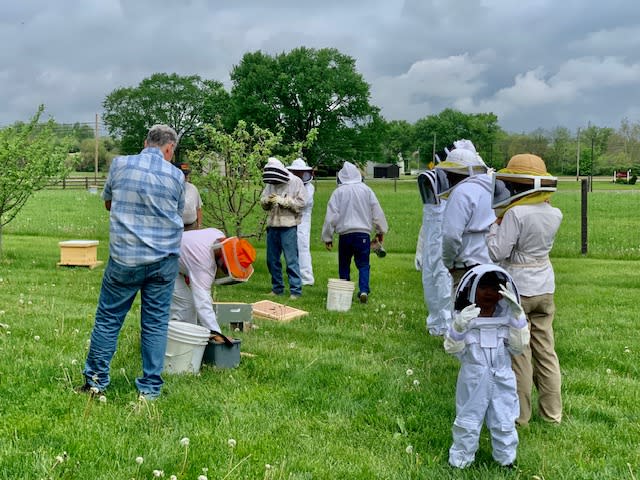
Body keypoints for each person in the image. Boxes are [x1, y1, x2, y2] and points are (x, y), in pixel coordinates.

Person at [79, 124, 184, 400]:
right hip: (164, 259)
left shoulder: (120, 165)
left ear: (145, 141)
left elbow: (108, 203)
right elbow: (176, 212)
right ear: (169, 148)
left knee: (109, 318)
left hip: (125, 258)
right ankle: (150, 388)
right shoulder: (176, 176)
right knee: (156, 322)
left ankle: (96, 381)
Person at [486, 153, 563, 426]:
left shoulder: (515, 213)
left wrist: (492, 229)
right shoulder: (554, 213)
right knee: (546, 350)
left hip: (518, 287)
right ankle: (553, 414)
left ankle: (521, 416)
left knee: (520, 353)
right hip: (545, 287)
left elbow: (497, 251)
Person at [444, 264, 530, 469]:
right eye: (484, 287)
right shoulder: (466, 318)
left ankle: (506, 460)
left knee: (505, 418)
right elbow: (452, 348)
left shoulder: (506, 319)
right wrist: (458, 327)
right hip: (473, 377)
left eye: (494, 288)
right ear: (473, 289)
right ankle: (460, 461)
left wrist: (519, 319)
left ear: (502, 293)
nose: (489, 293)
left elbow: (519, 348)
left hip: (502, 375)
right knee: (468, 419)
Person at [321, 161, 388, 304]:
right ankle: (363, 290)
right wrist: (380, 231)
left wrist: (328, 237)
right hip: (362, 234)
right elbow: (377, 211)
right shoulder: (366, 190)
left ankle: (345, 294)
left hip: (345, 235)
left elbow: (331, 216)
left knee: (344, 264)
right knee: (363, 264)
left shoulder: (338, 192)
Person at [170, 228, 256, 336]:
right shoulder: (203, 264)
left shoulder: (217, 233)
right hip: (162, 263)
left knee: (190, 305)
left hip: (170, 255)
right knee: (185, 306)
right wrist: (217, 334)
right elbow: (203, 303)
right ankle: (178, 341)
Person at [436, 140, 495, 289]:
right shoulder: (492, 188)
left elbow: (451, 235)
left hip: (467, 268)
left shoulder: (461, 192)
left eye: (450, 174)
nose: (448, 178)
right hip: (493, 266)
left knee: (464, 311)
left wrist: (448, 263)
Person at [260, 157, 306, 299]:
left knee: (291, 259)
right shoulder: (270, 183)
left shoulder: (296, 182)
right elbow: (263, 201)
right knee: (272, 259)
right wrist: (267, 201)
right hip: (273, 225)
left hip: (288, 226)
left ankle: (295, 290)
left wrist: (284, 201)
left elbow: (302, 203)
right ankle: (277, 288)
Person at [415, 167, 452, 336]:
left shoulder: (450, 205)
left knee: (444, 289)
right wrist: (420, 252)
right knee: (429, 286)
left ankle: (447, 326)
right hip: (431, 250)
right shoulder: (429, 208)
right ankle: (435, 325)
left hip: (443, 251)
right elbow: (425, 230)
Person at [287, 158, 315, 286]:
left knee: (303, 247)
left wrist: (288, 202)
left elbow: (303, 203)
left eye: (300, 172)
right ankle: (295, 275)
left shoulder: (309, 187)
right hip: (291, 218)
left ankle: (307, 278)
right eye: (295, 172)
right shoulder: (290, 185)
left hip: (303, 220)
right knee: (291, 247)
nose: (298, 175)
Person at [174, 161, 203, 231]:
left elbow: (198, 209)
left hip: (192, 226)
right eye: (184, 174)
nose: (186, 176)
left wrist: (199, 225)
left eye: (187, 174)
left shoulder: (193, 188)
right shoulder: (172, 188)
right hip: (177, 228)